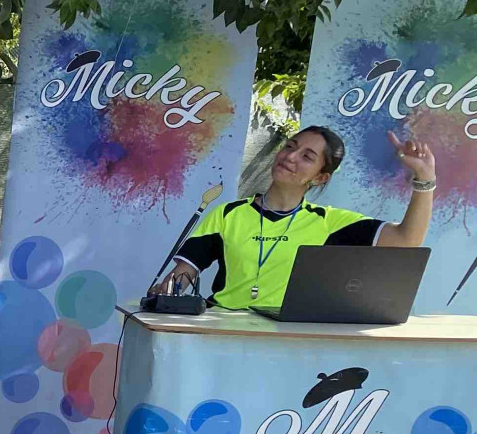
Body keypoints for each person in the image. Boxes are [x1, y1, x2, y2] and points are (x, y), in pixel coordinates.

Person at [152, 125, 438, 308]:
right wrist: (164, 294)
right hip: (221, 332)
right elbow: (182, 276)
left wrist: (424, 178)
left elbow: (406, 240)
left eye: (307, 156)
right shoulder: (228, 214)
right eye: (290, 146)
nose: (290, 156)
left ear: (319, 178)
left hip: (287, 341)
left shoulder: (331, 222)